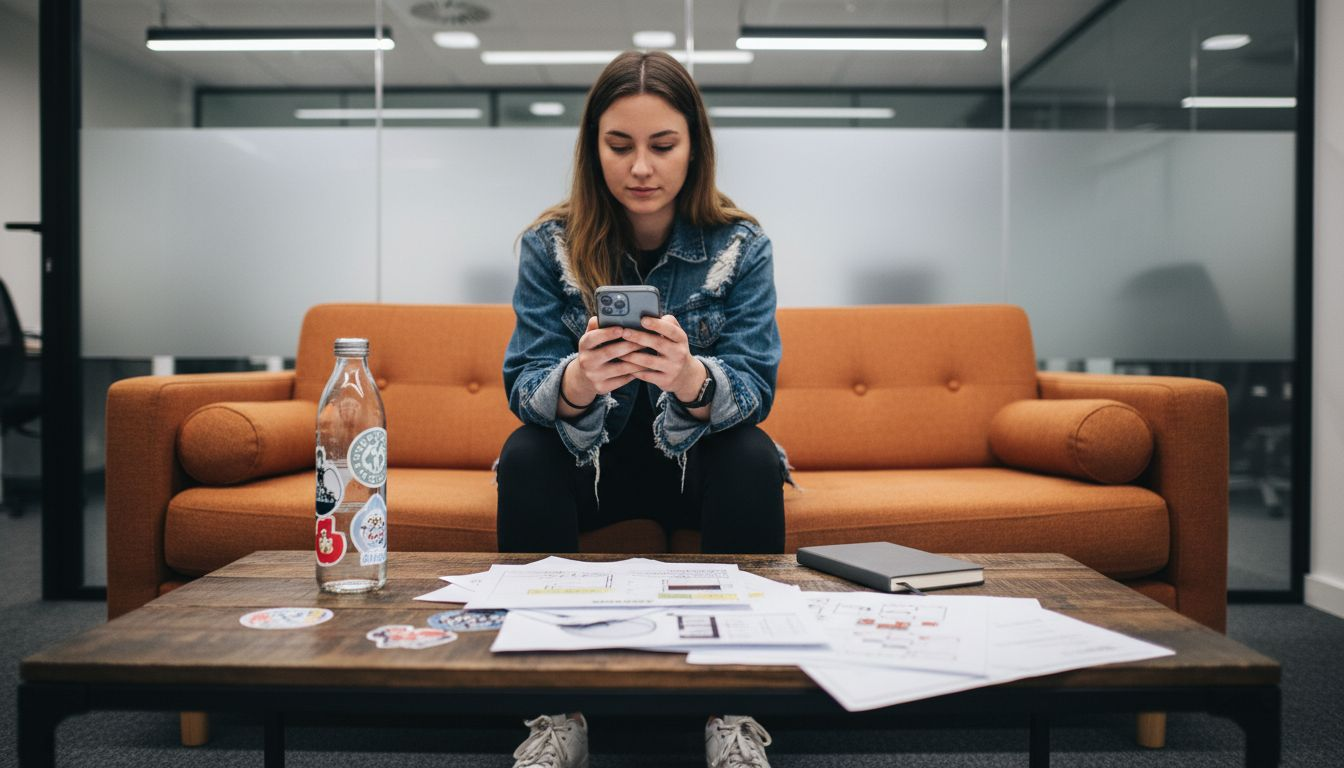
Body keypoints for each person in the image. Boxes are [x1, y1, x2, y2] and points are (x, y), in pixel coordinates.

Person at [496, 50, 786, 768]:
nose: (641, 169)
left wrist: (689, 378)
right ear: (593, 149)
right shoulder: (550, 244)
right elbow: (523, 381)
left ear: (695, 148)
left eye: (663, 145)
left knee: (752, 454)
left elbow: (755, 384)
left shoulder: (741, 245)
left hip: (695, 461)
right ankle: (554, 712)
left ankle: (735, 708)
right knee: (526, 452)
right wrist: (577, 382)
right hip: (593, 463)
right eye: (619, 146)